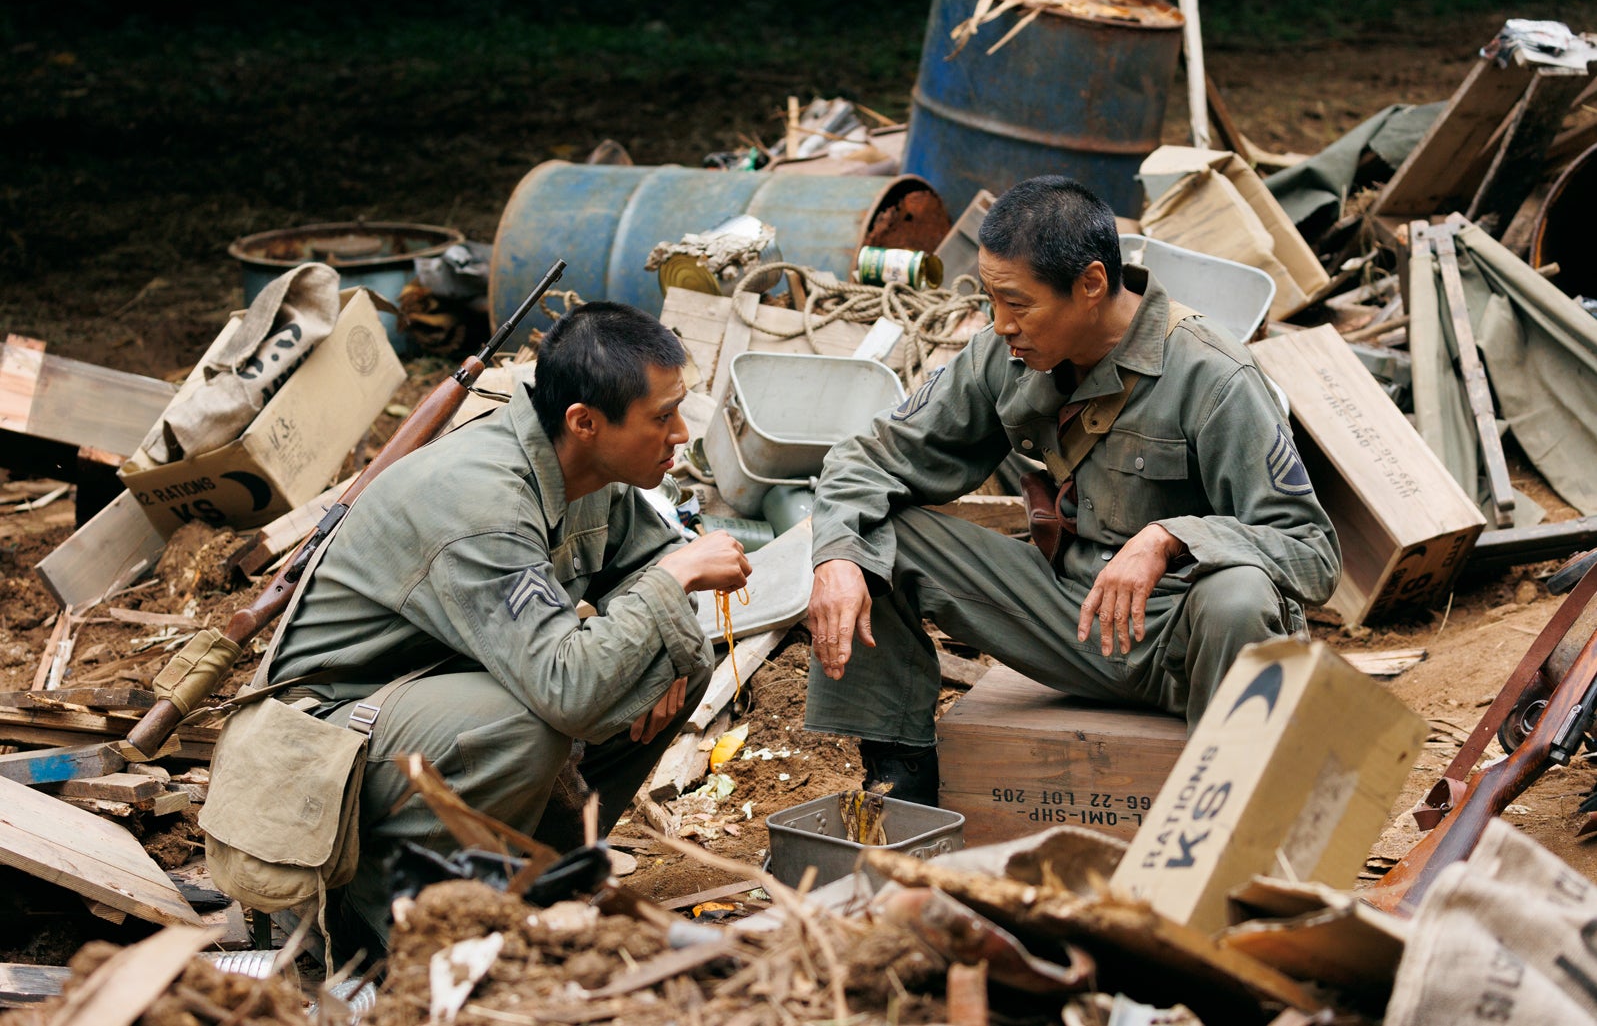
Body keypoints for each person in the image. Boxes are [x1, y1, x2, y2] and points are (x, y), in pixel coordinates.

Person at [804, 176, 1342, 805]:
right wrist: (837, 558)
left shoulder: (1214, 375)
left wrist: (1170, 538)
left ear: (1090, 285)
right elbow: (868, 458)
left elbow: (1312, 551)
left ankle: (1226, 816)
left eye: (1017, 303)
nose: (1001, 324)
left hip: (1187, 640)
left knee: (1238, 595)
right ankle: (901, 787)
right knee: (874, 537)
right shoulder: (1004, 354)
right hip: (1071, 618)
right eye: (991, 300)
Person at [264, 302, 751, 953]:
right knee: (526, 725)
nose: (681, 433)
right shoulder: (482, 501)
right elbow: (569, 689)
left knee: (668, 660)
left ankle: (536, 886)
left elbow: (651, 565)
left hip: (432, 698)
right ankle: (389, 928)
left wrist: (667, 634)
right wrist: (672, 582)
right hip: (328, 742)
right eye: (662, 417)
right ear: (584, 422)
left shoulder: (588, 469)